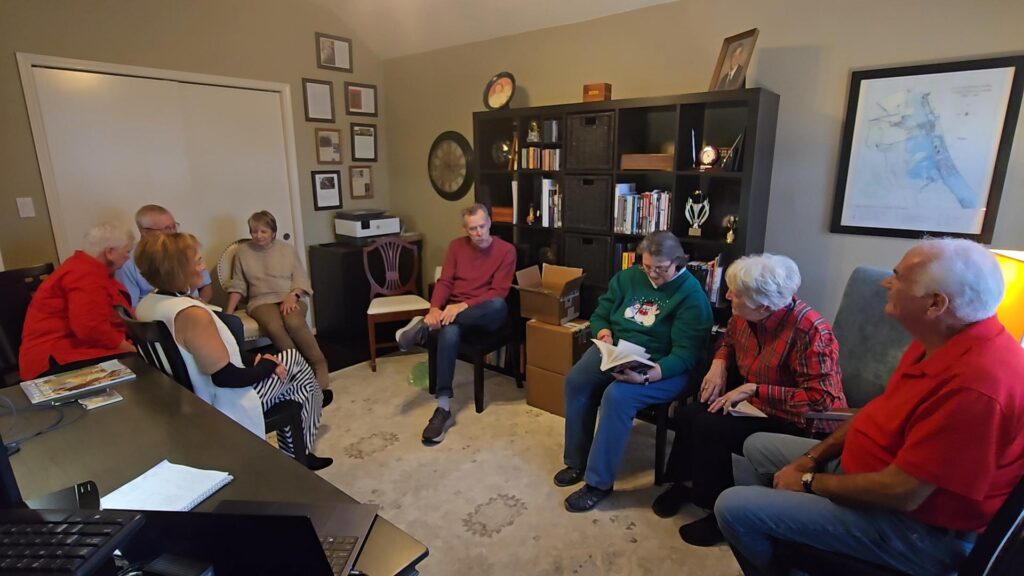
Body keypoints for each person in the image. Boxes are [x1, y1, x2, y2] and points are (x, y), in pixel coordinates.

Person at [715, 238, 1024, 576]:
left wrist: (806, 482)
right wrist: (812, 459)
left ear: (936, 304)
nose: (886, 282)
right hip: (869, 473)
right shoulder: (935, 342)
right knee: (757, 446)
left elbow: (902, 493)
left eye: (899, 276)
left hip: (915, 529)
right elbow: (876, 412)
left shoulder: (978, 386)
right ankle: (795, 542)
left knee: (733, 507)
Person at [652, 253, 847, 546]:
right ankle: (684, 483)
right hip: (755, 404)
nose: (728, 295)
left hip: (797, 421)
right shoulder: (745, 313)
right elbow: (728, 341)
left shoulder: (810, 331)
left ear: (765, 305)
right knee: (690, 414)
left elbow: (820, 400)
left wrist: (756, 390)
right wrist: (719, 363)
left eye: (736, 294)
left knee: (710, 426)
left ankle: (715, 511)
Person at [135, 232, 332, 470]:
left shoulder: (147, 305)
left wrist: (258, 360)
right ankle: (299, 455)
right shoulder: (192, 315)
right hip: (224, 404)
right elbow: (226, 377)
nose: (203, 266)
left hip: (185, 400)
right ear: (179, 270)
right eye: (198, 261)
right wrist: (267, 365)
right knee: (296, 369)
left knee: (293, 372)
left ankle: (303, 434)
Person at [554, 231, 713, 513]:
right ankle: (577, 461)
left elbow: (686, 355)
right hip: (619, 351)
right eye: (647, 266)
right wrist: (603, 332)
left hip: (666, 365)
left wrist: (647, 376)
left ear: (677, 262)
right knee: (577, 381)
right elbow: (601, 312)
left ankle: (598, 483)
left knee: (618, 396)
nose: (652, 274)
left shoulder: (691, 296)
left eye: (661, 269)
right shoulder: (628, 277)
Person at [395, 204, 516, 444]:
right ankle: (443, 408)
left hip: (485, 315)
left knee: (497, 306)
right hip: (452, 314)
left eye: (482, 226)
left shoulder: (506, 250)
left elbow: (499, 292)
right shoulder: (456, 247)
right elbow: (445, 282)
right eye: (473, 229)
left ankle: (425, 327)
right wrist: (434, 308)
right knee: (449, 334)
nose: (479, 233)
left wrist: (462, 307)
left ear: (489, 223)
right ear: (465, 229)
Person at [225, 210, 331, 397]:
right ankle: (299, 368)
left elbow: (300, 277)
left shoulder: (287, 250)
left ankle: (318, 362)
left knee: (294, 322)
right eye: (254, 232)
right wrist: (227, 313)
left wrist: (293, 296)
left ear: (273, 231)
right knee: (274, 326)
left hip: (289, 296)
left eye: (263, 232)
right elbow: (238, 284)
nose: (258, 236)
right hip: (260, 300)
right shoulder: (243, 252)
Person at [116, 204, 245, 347]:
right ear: (145, 232)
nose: (173, 232)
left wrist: (199, 303)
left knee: (233, 324)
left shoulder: (185, 250)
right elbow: (132, 308)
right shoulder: (130, 262)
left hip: (191, 308)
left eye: (174, 226)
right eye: (166, 229)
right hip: (163, 319)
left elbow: (206, 287)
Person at [19, 223, 136, 380]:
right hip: (58, 357)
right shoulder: (85, 275)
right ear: (110, 252)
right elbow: (90, 327)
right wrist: (129, 347)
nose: (128, 257)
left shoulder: (83, 267)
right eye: (126, 252)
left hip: (71, 349)